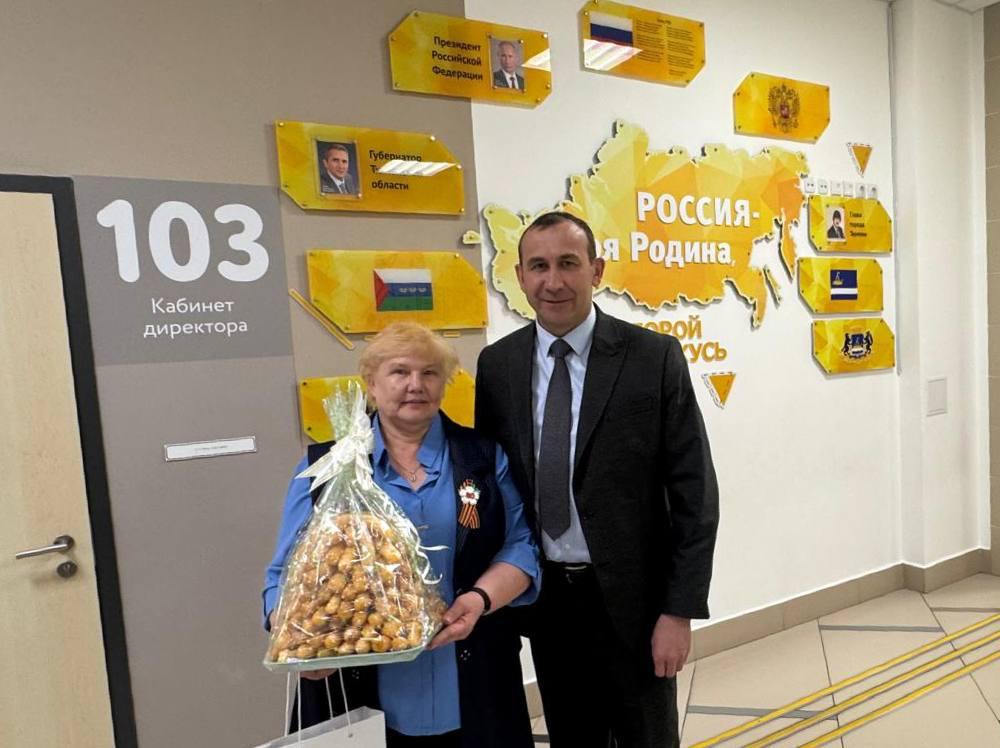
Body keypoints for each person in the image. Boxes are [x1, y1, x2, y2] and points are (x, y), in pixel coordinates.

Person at [475, 212, 719, 748]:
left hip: (637, 607)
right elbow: (492, 489)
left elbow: (695, 494)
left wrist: (678, 610)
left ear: (597, 270)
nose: (553, 281)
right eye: (539, 266)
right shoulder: (498, 366)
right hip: (547, 604)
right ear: (520, 276)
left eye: (568, 263)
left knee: (646, 739)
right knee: (572, 737)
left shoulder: (652, 358)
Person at [263, 322, 540, 748]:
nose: (415, 385)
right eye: (399, 372)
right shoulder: (328, 468)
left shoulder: (483, 457)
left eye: (429, 373)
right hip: (360, 687)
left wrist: (479, 599)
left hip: (474, 675)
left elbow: (520, 545)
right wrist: (299, 640)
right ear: (371, 384)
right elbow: (285, 573)